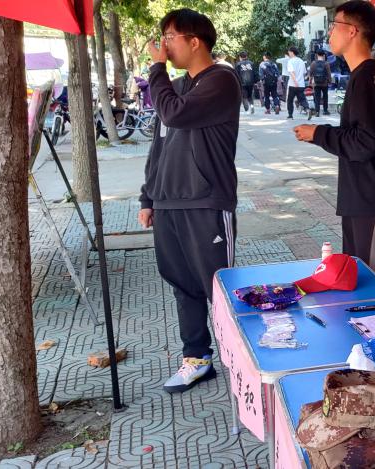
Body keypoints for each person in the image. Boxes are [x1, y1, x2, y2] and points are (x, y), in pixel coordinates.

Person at [140, 8, 241, 394]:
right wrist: (148, 197)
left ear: (194, 41)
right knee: (183, 285)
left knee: (219, 287)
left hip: (206, 202)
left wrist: (157, 69)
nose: (164, 45)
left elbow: (175, 114)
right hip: (168, 203)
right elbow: (159, 147)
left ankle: (240, 358)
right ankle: (197, 359)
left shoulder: (221, 80)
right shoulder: (175, 87)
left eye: (170, 37)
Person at [292, 1, 375, 289]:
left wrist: (318, 134)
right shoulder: (370, 73)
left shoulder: (366, 77)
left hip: (373, 197)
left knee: (374, 284)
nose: (330, 33)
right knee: (360, 279)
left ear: (353, 31)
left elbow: (365, 143)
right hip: (365, 195)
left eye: (335, 25)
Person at [285, 46, 311, 119]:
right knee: (302, 99)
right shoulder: (301, 61)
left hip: (293, 84)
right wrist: (299, 81)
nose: (288, 53)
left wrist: (295, 81)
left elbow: (292, 72)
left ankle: (290, 115)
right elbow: (304, 73)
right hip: (301, 84)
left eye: (289, 52)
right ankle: (307, 109)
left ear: (292, 52)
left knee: (290, 100)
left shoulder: (290, 61)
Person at [309, 50, 332, 117]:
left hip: (316, 83)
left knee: (317, 97)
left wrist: (310, 82)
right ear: (324, 55)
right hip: (325, 83)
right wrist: (330, 81)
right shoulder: (326, 63)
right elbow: (329, 74)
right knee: (325, 97)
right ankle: (325, 110)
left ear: (316, 55)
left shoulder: (313, 63)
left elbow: (310, 73)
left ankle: (317, 112)